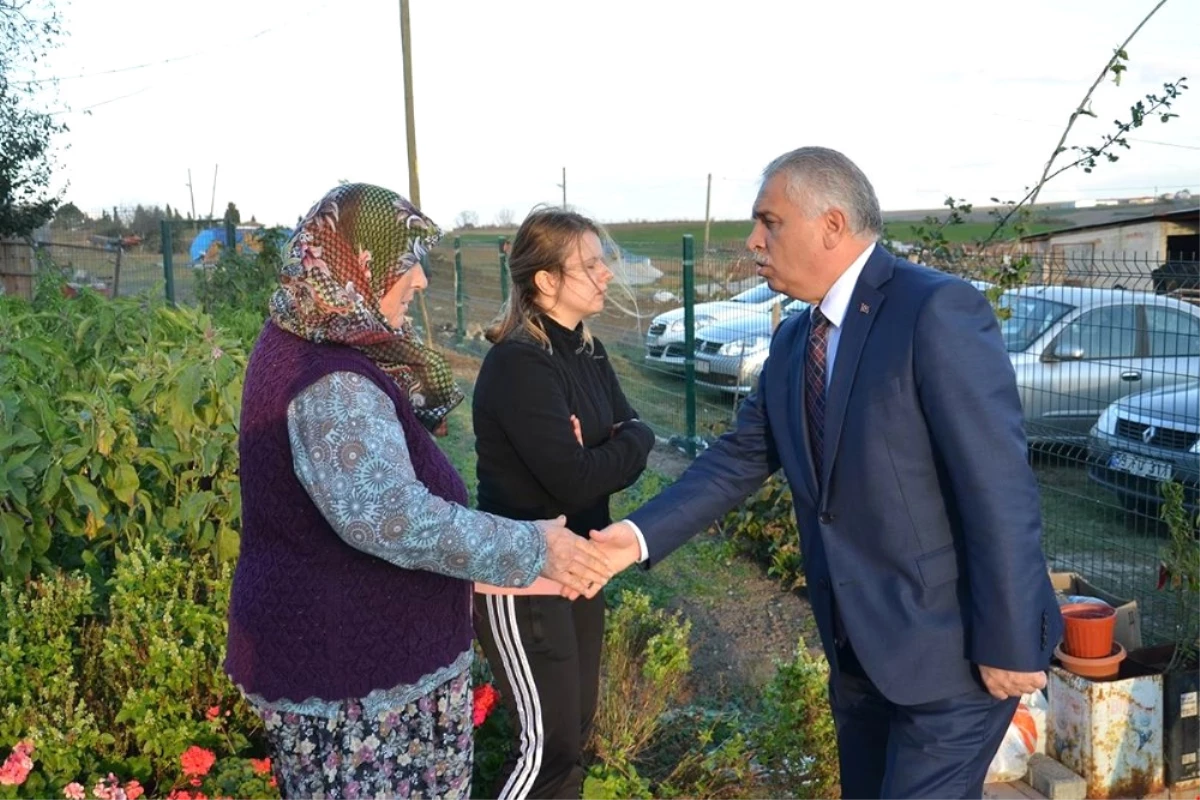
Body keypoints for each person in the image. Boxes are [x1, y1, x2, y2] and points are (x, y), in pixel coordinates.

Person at [592, 148, 1064, 798]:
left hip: (954, 656)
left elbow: (999, 486)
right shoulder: (793, 342)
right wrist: (633, 539)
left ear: (831, 225)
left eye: (769, 222)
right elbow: (738, 460)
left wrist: (1011, 639)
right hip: (857, 655)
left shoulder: (935, 310)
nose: (753, 241)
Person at [225, 184, 613, 798]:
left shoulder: (308, 343)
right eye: (408, 262)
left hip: (352, 671)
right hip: (357, 690)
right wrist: (533, 549)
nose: (423, 281)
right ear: (361, 266)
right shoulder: (329, 381)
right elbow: (389, 517)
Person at [471, 208, 656, 800]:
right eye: (592, 263)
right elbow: (575, 481)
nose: (607, 274)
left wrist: (618, 442)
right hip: (524, 580)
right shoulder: (519, 364)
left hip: (583, 571)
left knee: (571, 738)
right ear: (546, 280)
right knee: (546, 751)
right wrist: (616, 445)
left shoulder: (588, 351)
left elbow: (640, 434)